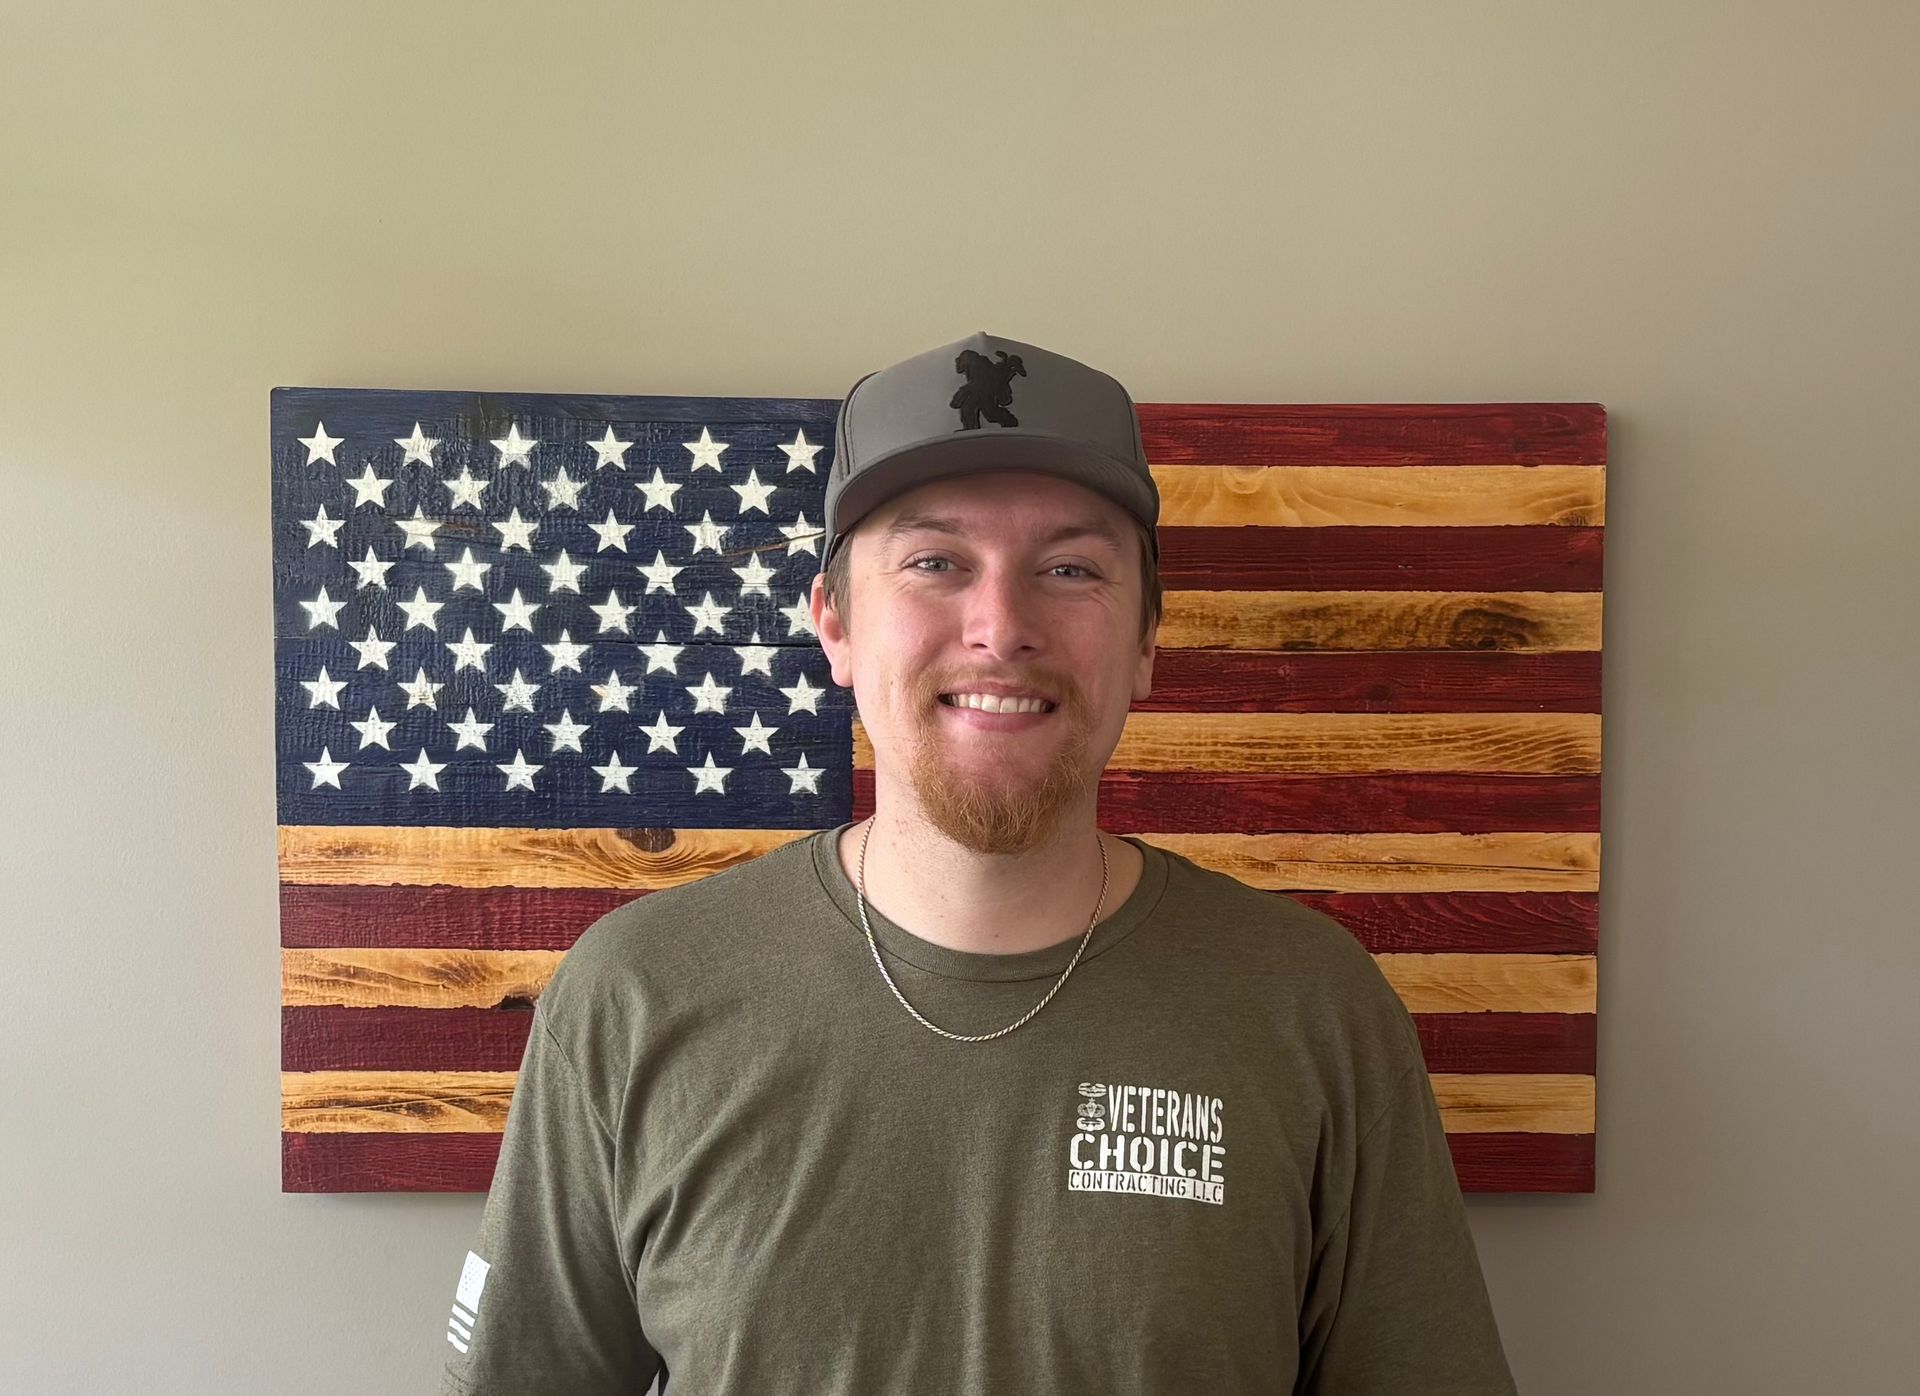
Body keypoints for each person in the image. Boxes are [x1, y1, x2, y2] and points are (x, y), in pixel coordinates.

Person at [438, 331, 1520, 1394]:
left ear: (1146, 639)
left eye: (1069, 567)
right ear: (835, 625)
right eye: (934, 562)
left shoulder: (1311, 1006)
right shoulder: (635, 994)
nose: (1001, 626)